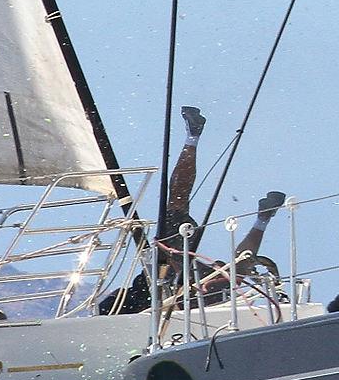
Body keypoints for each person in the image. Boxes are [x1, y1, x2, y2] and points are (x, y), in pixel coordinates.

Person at [99, 106, 285, 314]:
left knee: (176, 206)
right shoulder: (193, 289)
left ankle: (193, 136)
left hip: (168, 275)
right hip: (178, 291)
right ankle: (263, 218)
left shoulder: (127, 300)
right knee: (234, 273)